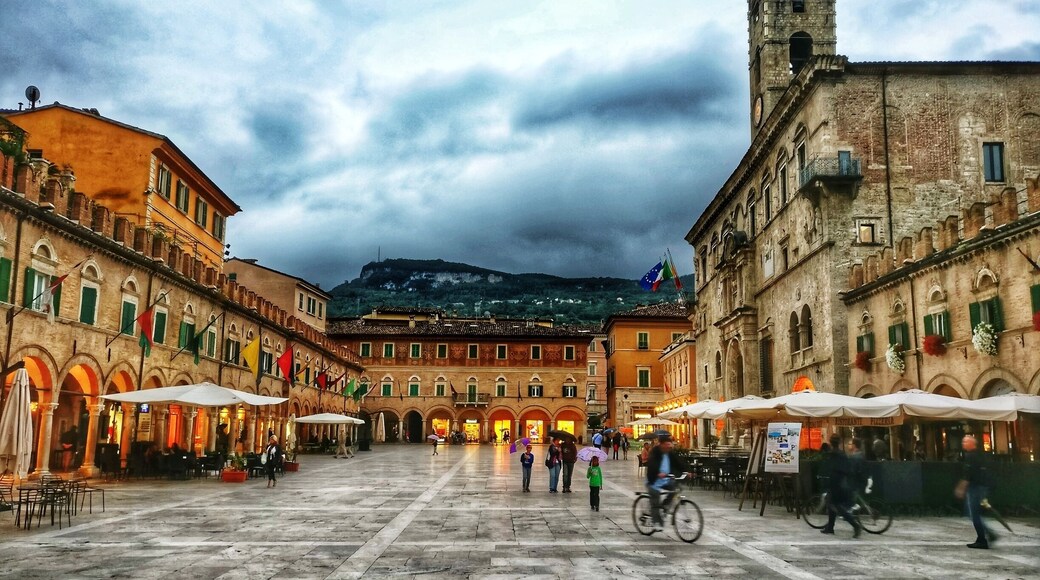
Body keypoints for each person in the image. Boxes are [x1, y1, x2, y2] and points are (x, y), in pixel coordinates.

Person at [956, 435, 996, 549]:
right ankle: (984, 536)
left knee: (973, 514)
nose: (963, 443)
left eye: (965, 442)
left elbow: (967, 475)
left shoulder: (971, 456)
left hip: (976, 487)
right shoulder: (980, 455)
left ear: (971, 443)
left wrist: (961, 488)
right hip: (982, 486)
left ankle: (984, 538)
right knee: (975, 513)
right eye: (963, 441)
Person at [645, 435, 689, 533]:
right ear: (661, 444)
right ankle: (656, 522)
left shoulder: (669, 453)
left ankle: (664, 506)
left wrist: (687, 471)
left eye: (670, 444)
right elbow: (652, 464)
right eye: (667, 444)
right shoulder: (655, 452)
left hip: (666, 479)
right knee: (655, 499)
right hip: (653, 481)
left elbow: (678, 463)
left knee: (674, 489)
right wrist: (658, 473)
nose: (669, 446)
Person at [821, 434, 862, 538]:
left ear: (831, 442)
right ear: (839, 443)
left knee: (838, 506)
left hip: (836, 483)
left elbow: (829, 468)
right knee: (831, 504)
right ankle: (830, 527)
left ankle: (855, 525)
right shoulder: (842, 454)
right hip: (841, 482)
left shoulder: (833, 454)